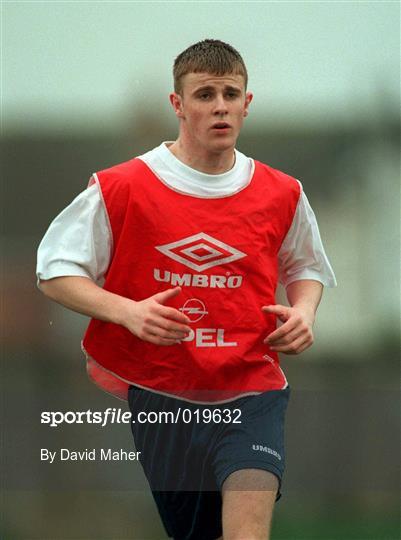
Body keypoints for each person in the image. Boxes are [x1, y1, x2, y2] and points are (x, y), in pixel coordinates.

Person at [37, 39, 336, 540]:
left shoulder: (282, 192)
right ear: (177, 104)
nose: (220, 105)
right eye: (204, 94)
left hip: (251, 389)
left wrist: (304, 310)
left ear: (247, 103)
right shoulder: (123, 186)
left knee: (246, 534)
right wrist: (127, 312)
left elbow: (305, 265)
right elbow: (54, 270)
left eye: (230, 93)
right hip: (162, 393)